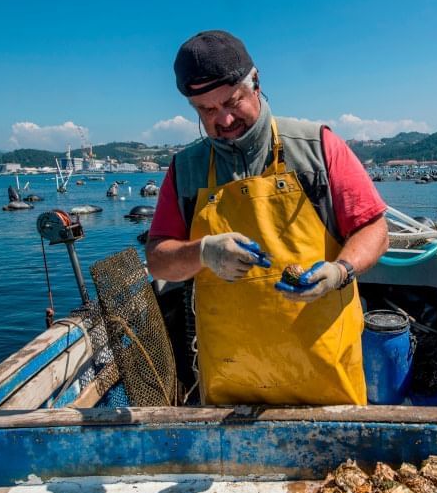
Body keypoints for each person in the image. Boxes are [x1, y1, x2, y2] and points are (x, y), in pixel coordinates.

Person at [146, 30, 388, 405]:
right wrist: (203, 252)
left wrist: (340, 270)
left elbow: (373, 229)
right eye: (207, 111)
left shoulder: (317, 148)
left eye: (232, 101)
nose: (223, 119)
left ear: (255, 82)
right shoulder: (185, 170)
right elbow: (159, 259)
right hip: (231, 389)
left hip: (324, 382)